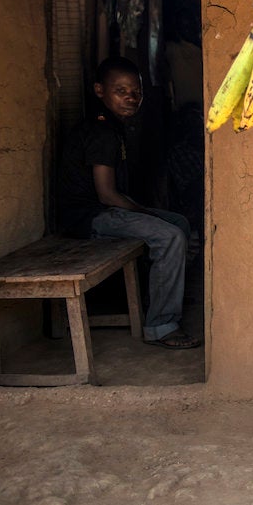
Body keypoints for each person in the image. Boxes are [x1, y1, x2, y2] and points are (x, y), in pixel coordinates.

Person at [57, 56, 201, 350]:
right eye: (120, 91)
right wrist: (146, 213)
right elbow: (106, 195)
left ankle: (161, 294)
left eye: (136, 91)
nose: (131, 98)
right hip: (88, 217)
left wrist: (147, 213)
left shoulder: (112, 126)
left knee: (179, 222)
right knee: (170, 234)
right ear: (100, 90)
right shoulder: (101, 132)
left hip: (102, 210)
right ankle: (161, 325)